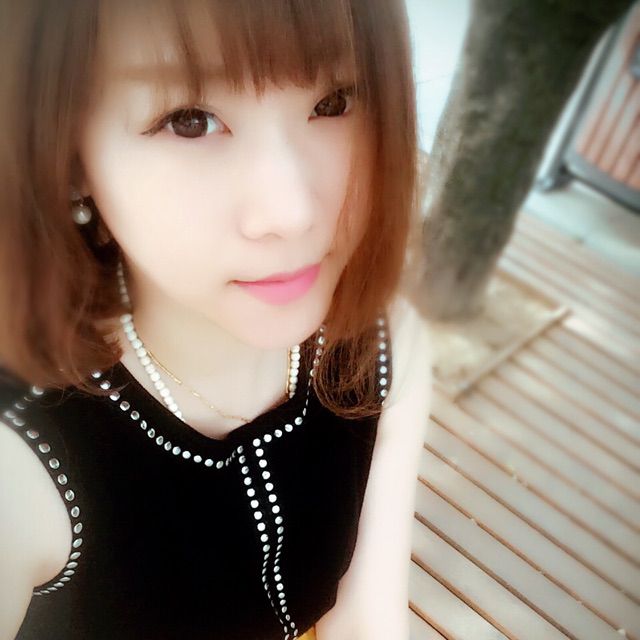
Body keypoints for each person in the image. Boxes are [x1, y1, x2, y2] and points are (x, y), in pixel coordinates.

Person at [0, 0, 432, 638]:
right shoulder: (19, 455)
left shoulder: (382, 336)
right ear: (67, 153)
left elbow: (367, 616)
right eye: (190, 120)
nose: (291, 212)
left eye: (334, 102)